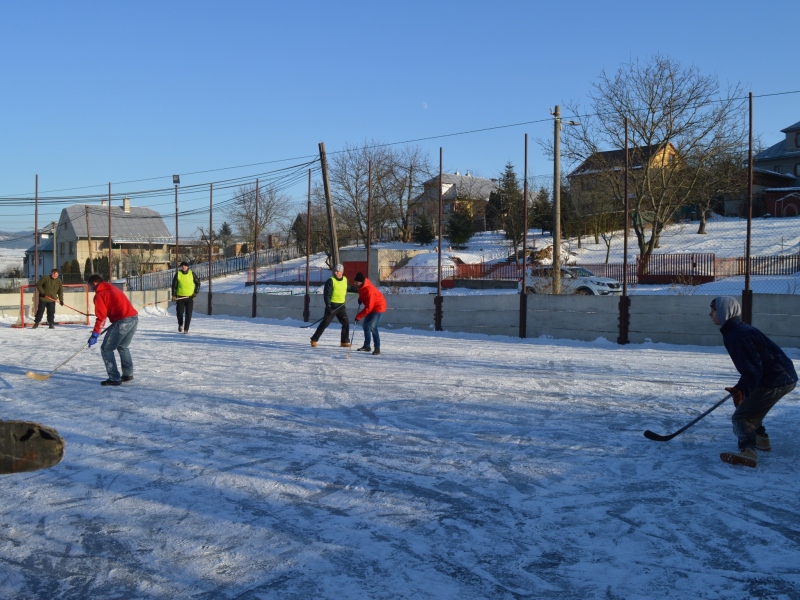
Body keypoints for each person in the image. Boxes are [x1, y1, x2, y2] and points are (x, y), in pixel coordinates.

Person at [710, 296, 797, 467]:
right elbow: (755, 368)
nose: (709, 314)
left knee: (742, 417)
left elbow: (753, 370)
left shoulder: (738, 335)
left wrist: (742, 389)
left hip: (776, 379)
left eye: (713, 311)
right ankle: (761, 438)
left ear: (723, 311)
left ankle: (748, 450)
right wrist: (744, 389)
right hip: (780, 376)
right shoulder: (738, 331)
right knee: (751, 405)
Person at [87, 274, 139, 386]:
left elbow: (101, 317)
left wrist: (95, 333)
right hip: (133, 319)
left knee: (106, 349)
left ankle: (114, 378)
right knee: (123, 346)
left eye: (91, 286)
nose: (92, 289)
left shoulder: (100, 294)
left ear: (94, 283)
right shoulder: (113, 288)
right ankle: (127, 374)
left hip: (123, 321)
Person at [310, 263, 350, 348]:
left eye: (337, 271)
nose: (335, 272)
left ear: (341, 272)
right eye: (334, 271)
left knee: (346, 323)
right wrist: (328, 305)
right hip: (332, 306)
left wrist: (359, 290)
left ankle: (344, 341)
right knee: (325, 323)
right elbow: (326, 295)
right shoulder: (330, 281)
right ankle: (314, 339)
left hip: (341, 306)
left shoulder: (345, 279)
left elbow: (348, 288)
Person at [353, 272, 386, 355]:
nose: (355, 283)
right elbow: (362, 294)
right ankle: (367, 346)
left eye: (356, 282)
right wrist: (360, 299)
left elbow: (369, 308)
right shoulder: (361, 286)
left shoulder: (369, 290)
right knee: (365, 326)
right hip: (371, 307)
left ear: (360, 281)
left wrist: (358, 316)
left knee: (373, 327)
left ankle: (377, 348)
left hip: (378, 307)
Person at [171, 261, 201, 334]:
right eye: (182, 266)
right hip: (180, 297)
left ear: (187, 267)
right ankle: (180, 324)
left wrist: (195, 293)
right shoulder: (178, 274)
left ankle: (186, 329)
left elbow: (198, 283)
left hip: (189, 297)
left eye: (185, 266)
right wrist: (174, 295)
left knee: (188, 314)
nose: (184, 267)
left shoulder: (192, 273)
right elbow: (174, 286)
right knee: (179, 313)